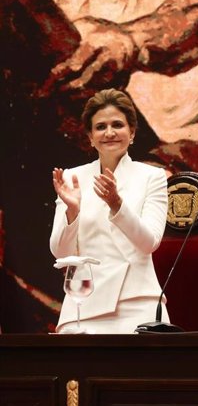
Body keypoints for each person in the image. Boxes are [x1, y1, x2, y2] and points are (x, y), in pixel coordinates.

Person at [49, 89, 169, 333]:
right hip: (83, 300)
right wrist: (72, 212)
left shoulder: (152, 177)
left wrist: (117, 204)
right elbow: (60, 252)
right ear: (90, 137)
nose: (110, 133)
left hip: (137, 302)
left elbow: (149, 243)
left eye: (118, 125)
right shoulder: (73, 177)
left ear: (132, 133)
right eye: (100, 127)